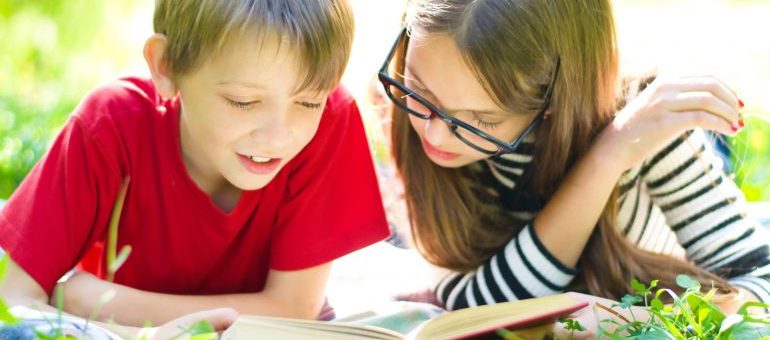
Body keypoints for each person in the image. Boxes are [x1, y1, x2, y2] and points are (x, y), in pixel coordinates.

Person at [378, 0, 770, 335]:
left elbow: (762, 285)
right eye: (421, 91)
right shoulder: (405, 101)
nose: (435, 136)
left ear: (553, 101)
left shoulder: (644, 126)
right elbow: (475, 312)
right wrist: (604, 161)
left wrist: (640, 322)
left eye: (481, 120)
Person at [0, 0, 389, 336]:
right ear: (166, 67)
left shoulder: (332, 118)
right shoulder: (111, 125)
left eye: (307, 102)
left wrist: (95, 303)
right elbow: (12, 299)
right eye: (243, 101)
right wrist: (143, 336)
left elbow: (293, 310)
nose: (278, 137)